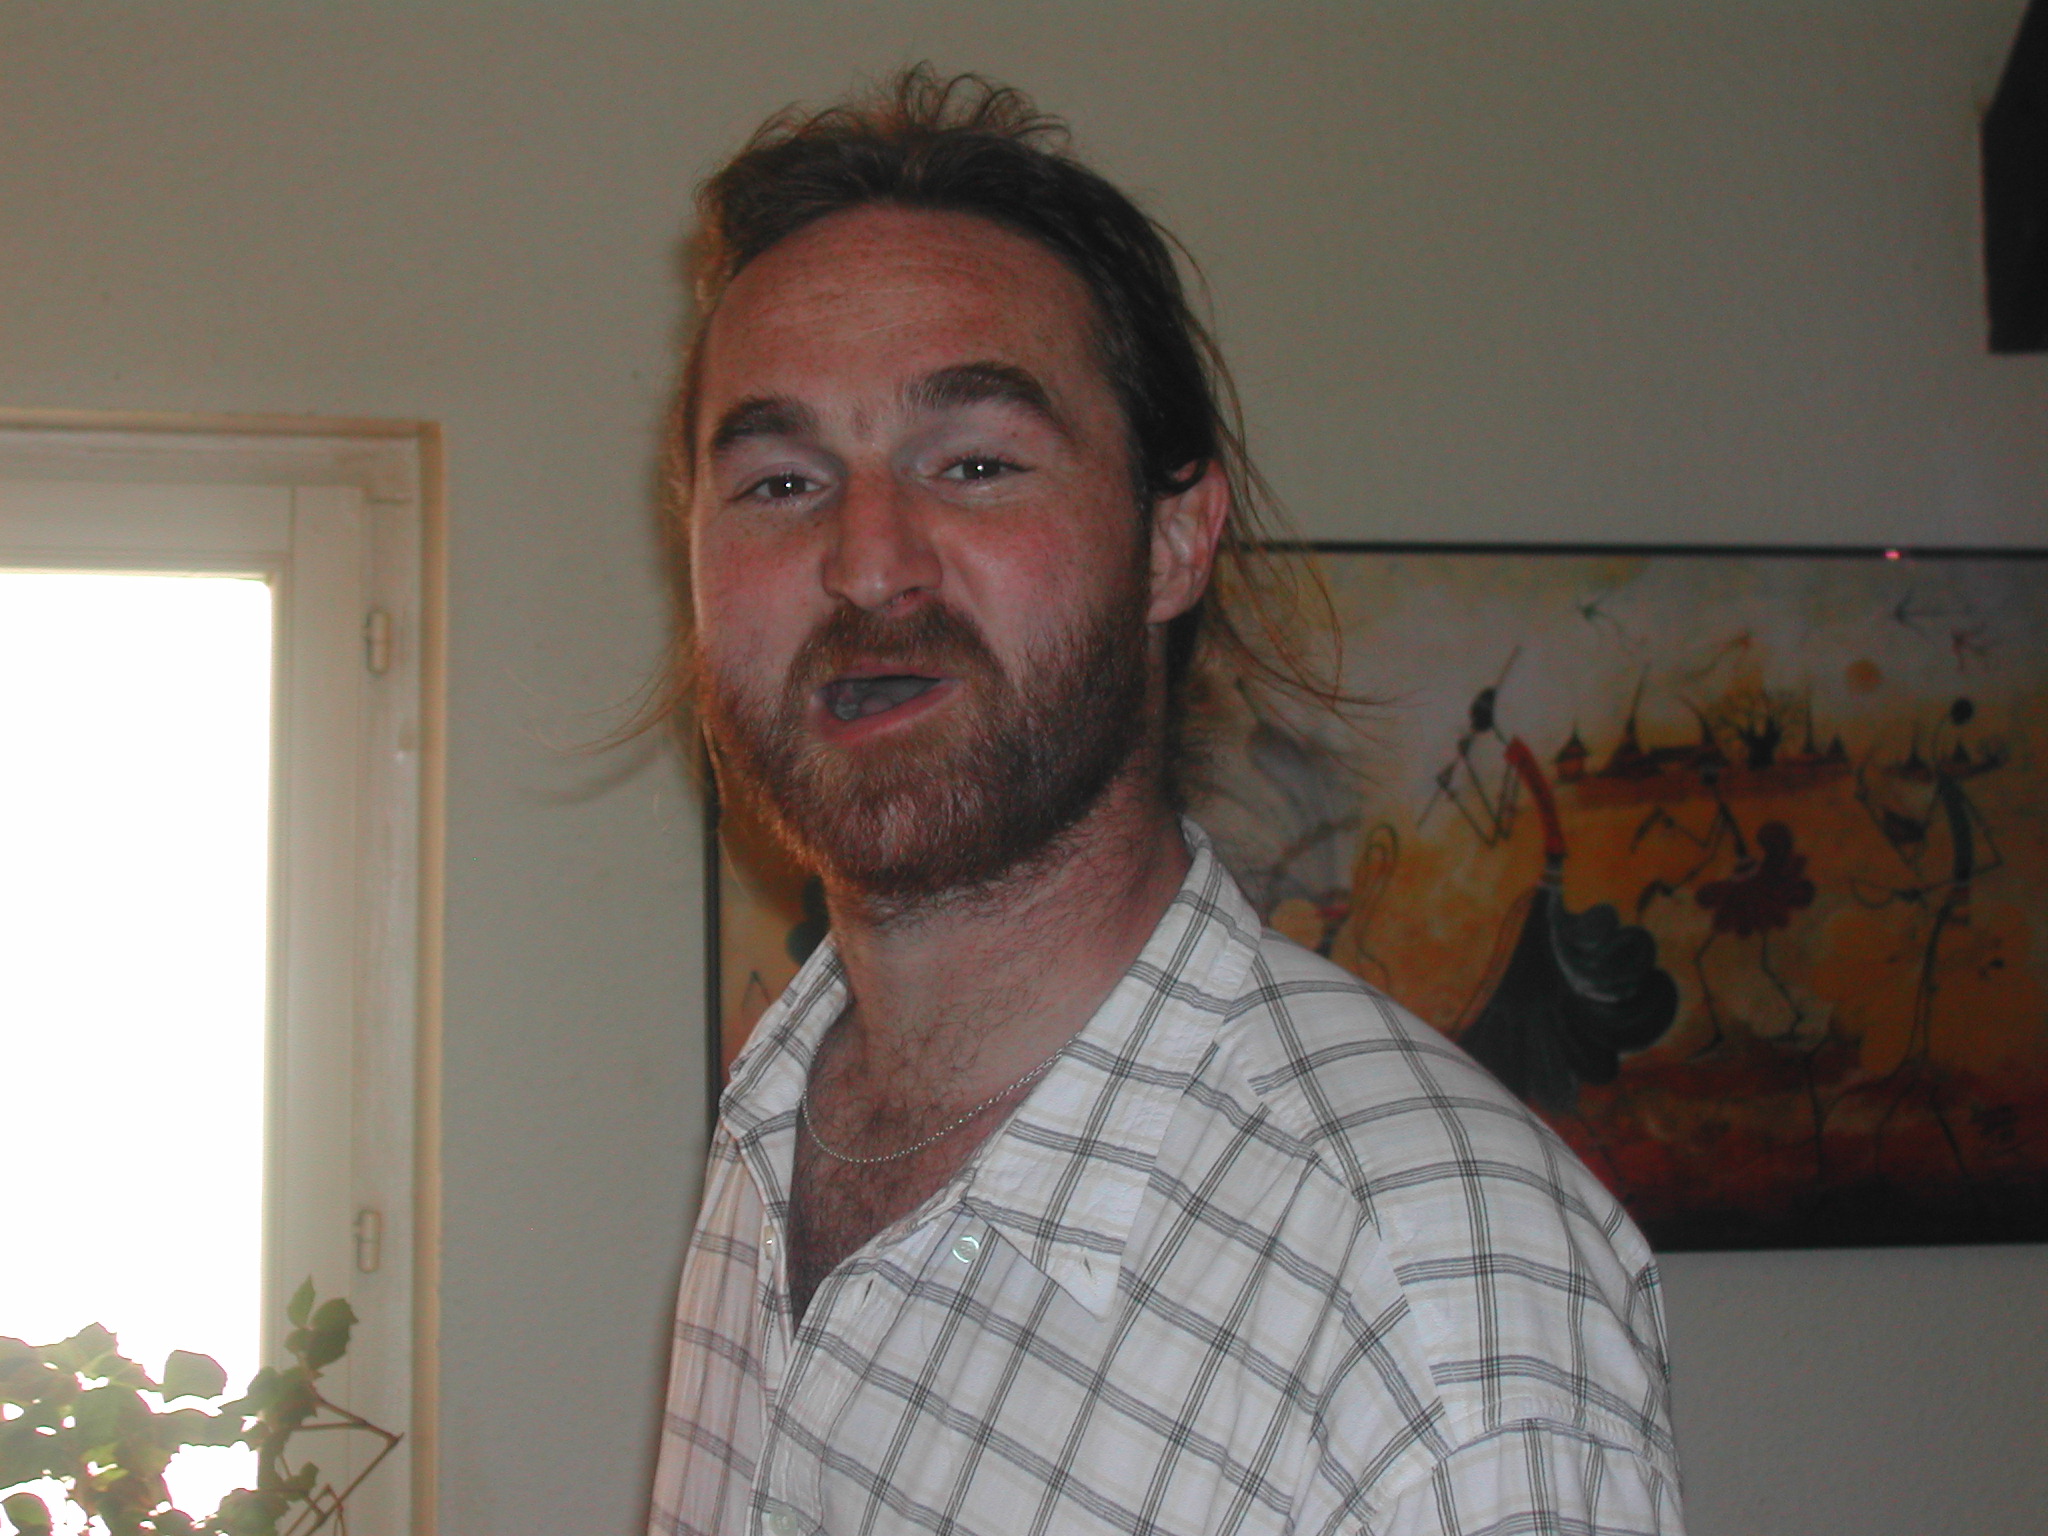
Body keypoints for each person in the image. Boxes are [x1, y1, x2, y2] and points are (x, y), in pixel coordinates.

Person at [648, 67, 1683, 1536]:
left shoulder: (1434, 1302)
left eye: (977, 463)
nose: (868, 562)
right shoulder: (778, 1114)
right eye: (778, 482)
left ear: (1174, 539)